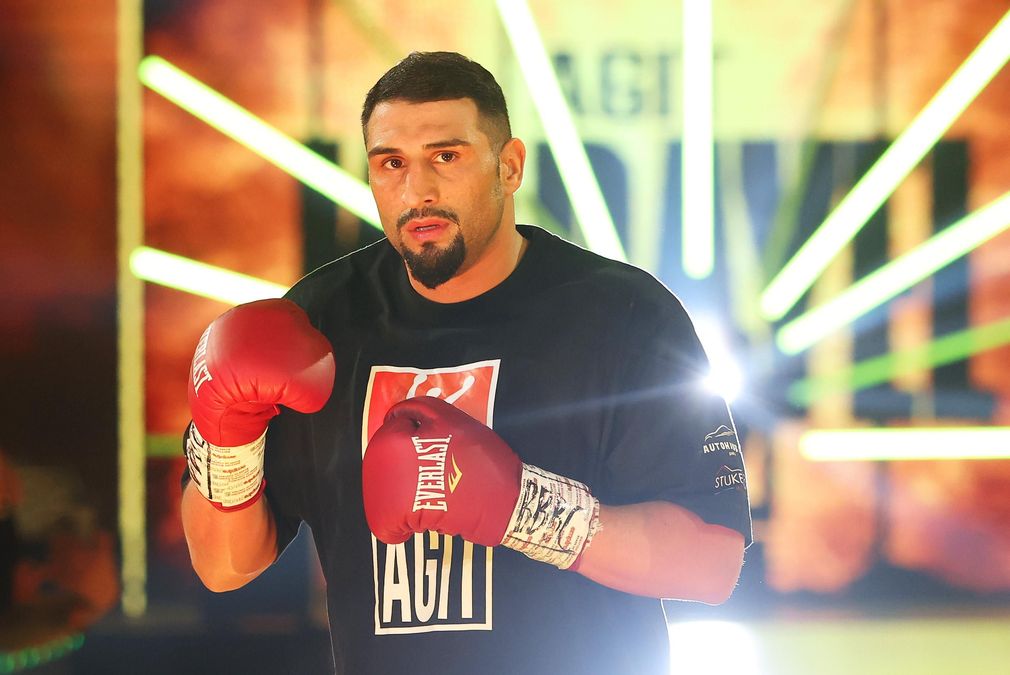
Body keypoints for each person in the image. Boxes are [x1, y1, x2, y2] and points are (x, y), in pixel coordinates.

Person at [181, 51, 751, 674]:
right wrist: (225, 441)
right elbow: (224, 566)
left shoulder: (624, 316)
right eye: (392, 164)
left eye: (446, 157)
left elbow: (711, 565)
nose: (417, 191)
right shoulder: (320, 319)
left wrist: (525, 510)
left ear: (509, 167)